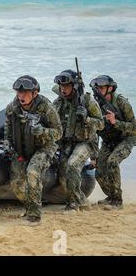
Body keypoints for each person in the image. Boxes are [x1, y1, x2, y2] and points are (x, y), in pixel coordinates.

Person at [4, 75, 62, 223]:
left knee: (33, 172)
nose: (21, 96)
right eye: (18, 92)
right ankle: (30, 206)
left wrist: (43, 131)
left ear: (35, 94)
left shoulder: (46, 108)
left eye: (25, 93)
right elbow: (8, 128)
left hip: (44, 146)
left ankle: (34, 216)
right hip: (22, 147)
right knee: (17, 182)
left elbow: (59, 132)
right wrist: (7, 143)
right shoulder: (12, 107)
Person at [53, 70, 104, 212]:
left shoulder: (88, 101)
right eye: (61, 86)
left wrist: (87, 119)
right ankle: (81, 200)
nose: (63, 89)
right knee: (63, 173)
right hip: (67, 143)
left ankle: (72, 205)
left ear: (74, 86)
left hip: (86, 142)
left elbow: (101, 124)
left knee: (72, 165)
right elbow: (51, 122)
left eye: (67, 86)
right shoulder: (59, 102)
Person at [90, 75, 136, 208]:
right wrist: (93, 156)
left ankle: (117, 201)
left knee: (113, 162)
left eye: (102, 87)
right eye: (97, 88)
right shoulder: (96, 105)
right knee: (99, 172)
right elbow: (94, 131)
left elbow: (134, 128)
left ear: (110, 88)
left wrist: (116, 122)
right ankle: (111, 196)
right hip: (108, 140)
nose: (98, 90)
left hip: (126, 138)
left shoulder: (121, 103)